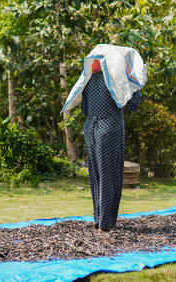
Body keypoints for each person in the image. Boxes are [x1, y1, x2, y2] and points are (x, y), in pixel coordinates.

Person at [62, 44, 147, 232]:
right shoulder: (115, 80)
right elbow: (132, 105)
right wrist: (138, 87)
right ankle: (106, 223)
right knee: (110, 175)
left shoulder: (88, 80)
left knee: (96, 175)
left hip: (90, 129)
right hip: (109, 128)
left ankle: (98, 218)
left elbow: (84, 109)